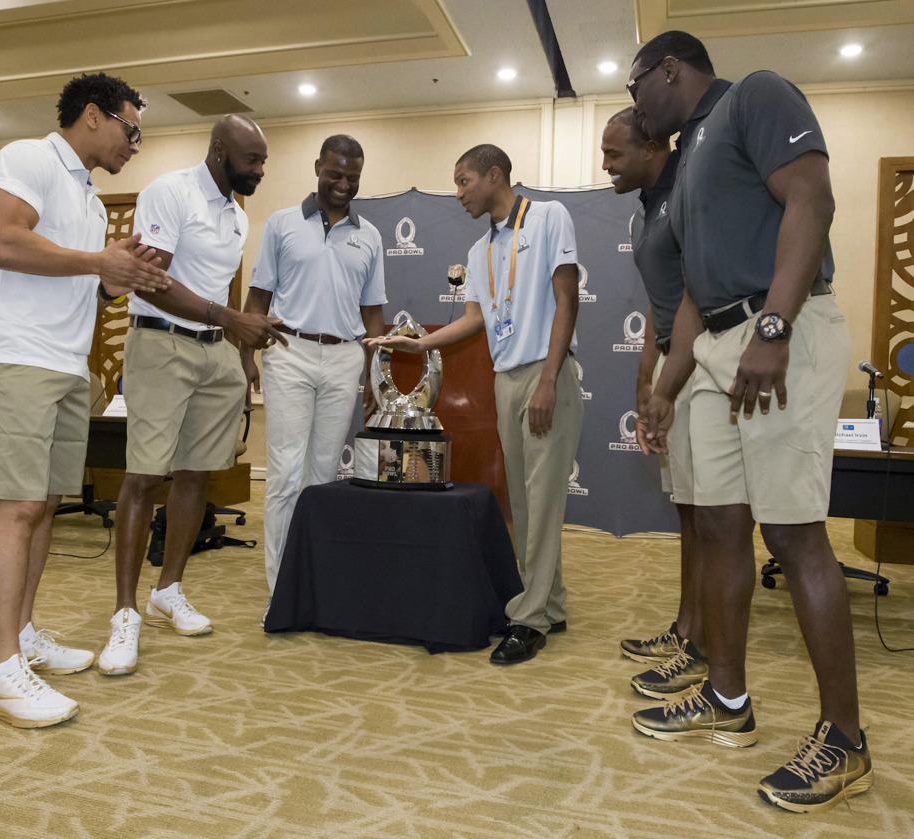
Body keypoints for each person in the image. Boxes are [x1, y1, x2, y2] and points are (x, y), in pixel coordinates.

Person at [628, 31, 872, 813]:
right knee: (722, 528)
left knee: (794, 534)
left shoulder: (755, 95)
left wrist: (773, 327)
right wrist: (668, 385)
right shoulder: (693, 152)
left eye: (636, 92)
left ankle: (845, 740)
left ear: (668, 69)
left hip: (778, 333)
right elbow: (695, 290)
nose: (636, 112)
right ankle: (725, 697)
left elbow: (811, 197)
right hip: (719, 341)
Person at [0, 72, 169, 727]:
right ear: (91, 115)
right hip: (16, 356)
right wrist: (96, 262)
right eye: (129, 129)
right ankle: (0, 673)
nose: (134, 143)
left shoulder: (88, 196)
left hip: (63, 363)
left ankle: (21, 635)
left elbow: (84, 281)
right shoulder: (28, 157)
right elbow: (0, 242)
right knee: (18, 503)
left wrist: (120, 274)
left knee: (46, 502)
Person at [367, 144, 583, 665]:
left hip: (544, 372)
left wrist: (550, 379)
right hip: (505, 379)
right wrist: (421, 345)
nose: (459, 191)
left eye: (465, 180)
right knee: (527, 503)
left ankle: (528, 619)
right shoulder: (480, 251)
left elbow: (566, 299)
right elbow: (476, 320)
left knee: (545, 498)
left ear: (494, 175)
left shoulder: (550, 217)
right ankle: (550, 603)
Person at [97, 115, 285, 675]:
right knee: (144, 476)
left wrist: (240, 348)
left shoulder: (235, 216)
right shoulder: (169, 192)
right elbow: (151, 280)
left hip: (215, 352)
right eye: (252, 160)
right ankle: (124, 615)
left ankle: (167, 591)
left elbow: (217, 287)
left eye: (263, 162)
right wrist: (230, 318)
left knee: (199, 473)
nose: (259, 170)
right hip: (161, 346)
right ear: (221, 150)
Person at [245, 135, 386, 600]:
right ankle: (281, 591)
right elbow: (259, 299)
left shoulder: (370, 235)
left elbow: (372, 315)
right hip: (290, 352)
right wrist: (246, 355)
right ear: (317, 168)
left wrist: (375, 372)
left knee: (322, 475)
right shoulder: (282, 224)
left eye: (353, 178)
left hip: (345, 357)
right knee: (284, 473)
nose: (344, 184)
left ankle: (314, 580)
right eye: (335, 174)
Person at [601, 108, 707, 699]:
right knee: (689, 510)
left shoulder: (686, 192)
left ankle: (697, 643)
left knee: (709, 513)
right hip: (671, 359)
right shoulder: (645, 211)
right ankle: (687, 629)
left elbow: (697, 292)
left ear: (651, 148)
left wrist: (670, 381)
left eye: (615, 154)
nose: (606, 165)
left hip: (699, 359)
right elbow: (658, 304)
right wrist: (647, 377)